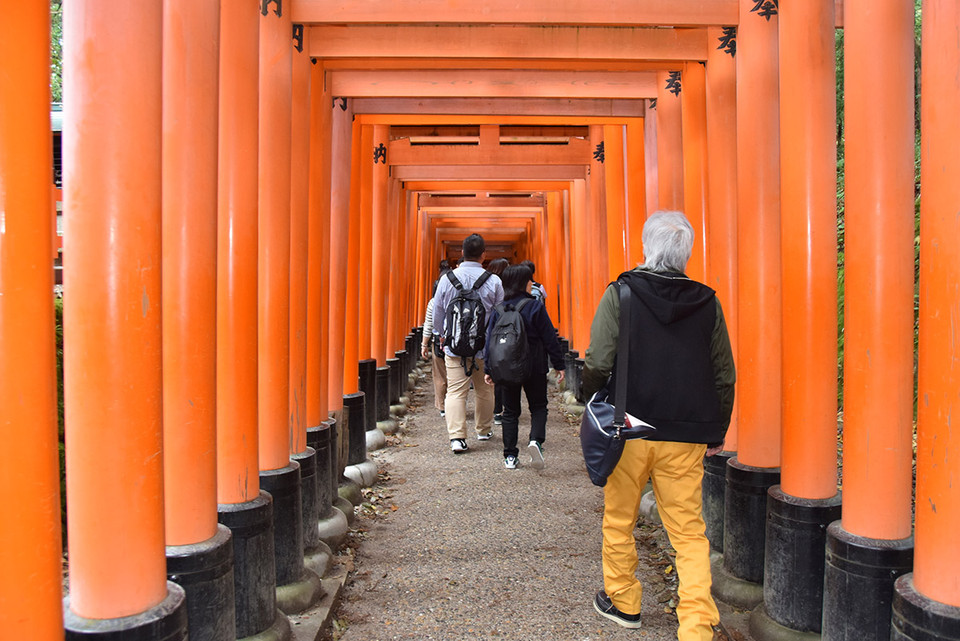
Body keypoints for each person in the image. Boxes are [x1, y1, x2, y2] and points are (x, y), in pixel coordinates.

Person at [582, 211, 735, 640]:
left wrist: (589, 394)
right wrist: (715, 430)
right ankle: (696, 627)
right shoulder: (707, 301)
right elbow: (724, 373)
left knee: (619, 518)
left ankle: (624, 602)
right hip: (685, 433)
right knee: (688, 532)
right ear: (686, 253)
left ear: (647, 246)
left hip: (628, 427)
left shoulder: (622, 293)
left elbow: (597, 360)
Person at [484, 264, 565, 470]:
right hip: (534, 366)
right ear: (523, 282)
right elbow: (549, 338)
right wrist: (559, 364)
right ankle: (535, 441)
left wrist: (488, 368)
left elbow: (490, 342)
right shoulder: (535, 306)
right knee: (538, 406)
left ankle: (510, 456)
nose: (532, 284)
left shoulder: (498, 310)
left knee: (510, 411)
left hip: (506, 367)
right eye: (530, 280)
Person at [432, 234, 504, 453]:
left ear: (462, 253)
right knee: (484, 390)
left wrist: (441, 333)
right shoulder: (493, 281)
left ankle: (457, 438)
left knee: (455, 391)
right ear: (484, 255)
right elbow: (500, 314)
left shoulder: (447, 279)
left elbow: (438, 311)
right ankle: (483, 430)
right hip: (484, 346)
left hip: (454, 345)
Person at [421, 267, 452, 418]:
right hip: (456, 342)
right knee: (456, 376)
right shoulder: (459, 299)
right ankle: (456, 404)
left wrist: (424, 344)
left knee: (440, 375)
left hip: (438, 342)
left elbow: (428, 324)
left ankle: (442, 406)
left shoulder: (434, 302)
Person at [485, 258, 510, 426]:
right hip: (504, 333)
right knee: (503, 372)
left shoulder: (485, 283)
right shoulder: (505, 288)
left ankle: (494, 410)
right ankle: (501, 409)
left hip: (487, 332)